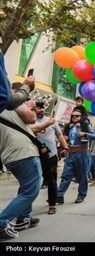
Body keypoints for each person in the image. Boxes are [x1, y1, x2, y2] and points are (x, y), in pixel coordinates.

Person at [0, 99, 41, 240]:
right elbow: (32, 118)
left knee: (26, 188)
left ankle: (24, 217)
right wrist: (29, 106)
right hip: (24, 153)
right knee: (30, 191)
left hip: (10, 154)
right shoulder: (11, 101)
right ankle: (1, 223)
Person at [30, 101, 68, 215]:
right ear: (33, 109)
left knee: (52, 181)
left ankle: (52, 205)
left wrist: (65, 147)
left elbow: (59, 135)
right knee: (29, 183)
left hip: (50, 156)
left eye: (42, 108)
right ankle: (24, 208)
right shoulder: (29, 121)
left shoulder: (51, 121)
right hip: (34, 156)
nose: (41, 110)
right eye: (38, 108)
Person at [57, 108, 95, 204]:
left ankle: (81, 195)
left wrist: (85, 134)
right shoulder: (68, 127)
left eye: (77, 116)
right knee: (66, 175)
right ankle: (59, 195)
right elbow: (64, 138)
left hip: (83, 153)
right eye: (73, 116)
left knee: (83, 176)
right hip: (71, 153)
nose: (74, 117)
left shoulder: (85, 126)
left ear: (81, 117)